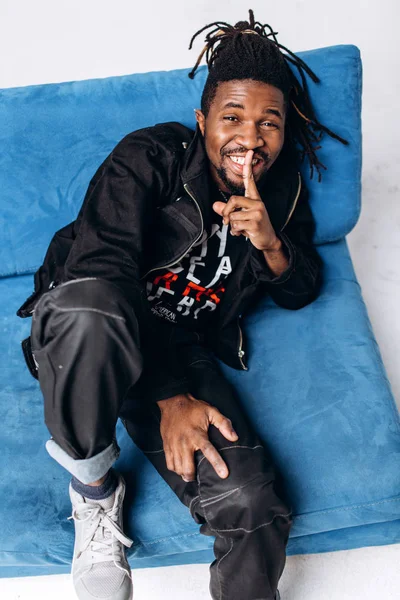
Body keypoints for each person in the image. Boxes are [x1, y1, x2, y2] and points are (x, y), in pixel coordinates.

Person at [17, 10, 347, 600]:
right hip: (91, 333)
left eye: (269, 123)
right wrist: (170, 398)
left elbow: (302, 290)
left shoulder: (283, 188)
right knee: (89, 312)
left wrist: (272, 243)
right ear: (202, 123)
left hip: (181, 346)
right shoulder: (151, 157)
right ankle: (95, 494)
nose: (251, 137)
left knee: (253, 504)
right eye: (232, 118)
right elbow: (99, 271)